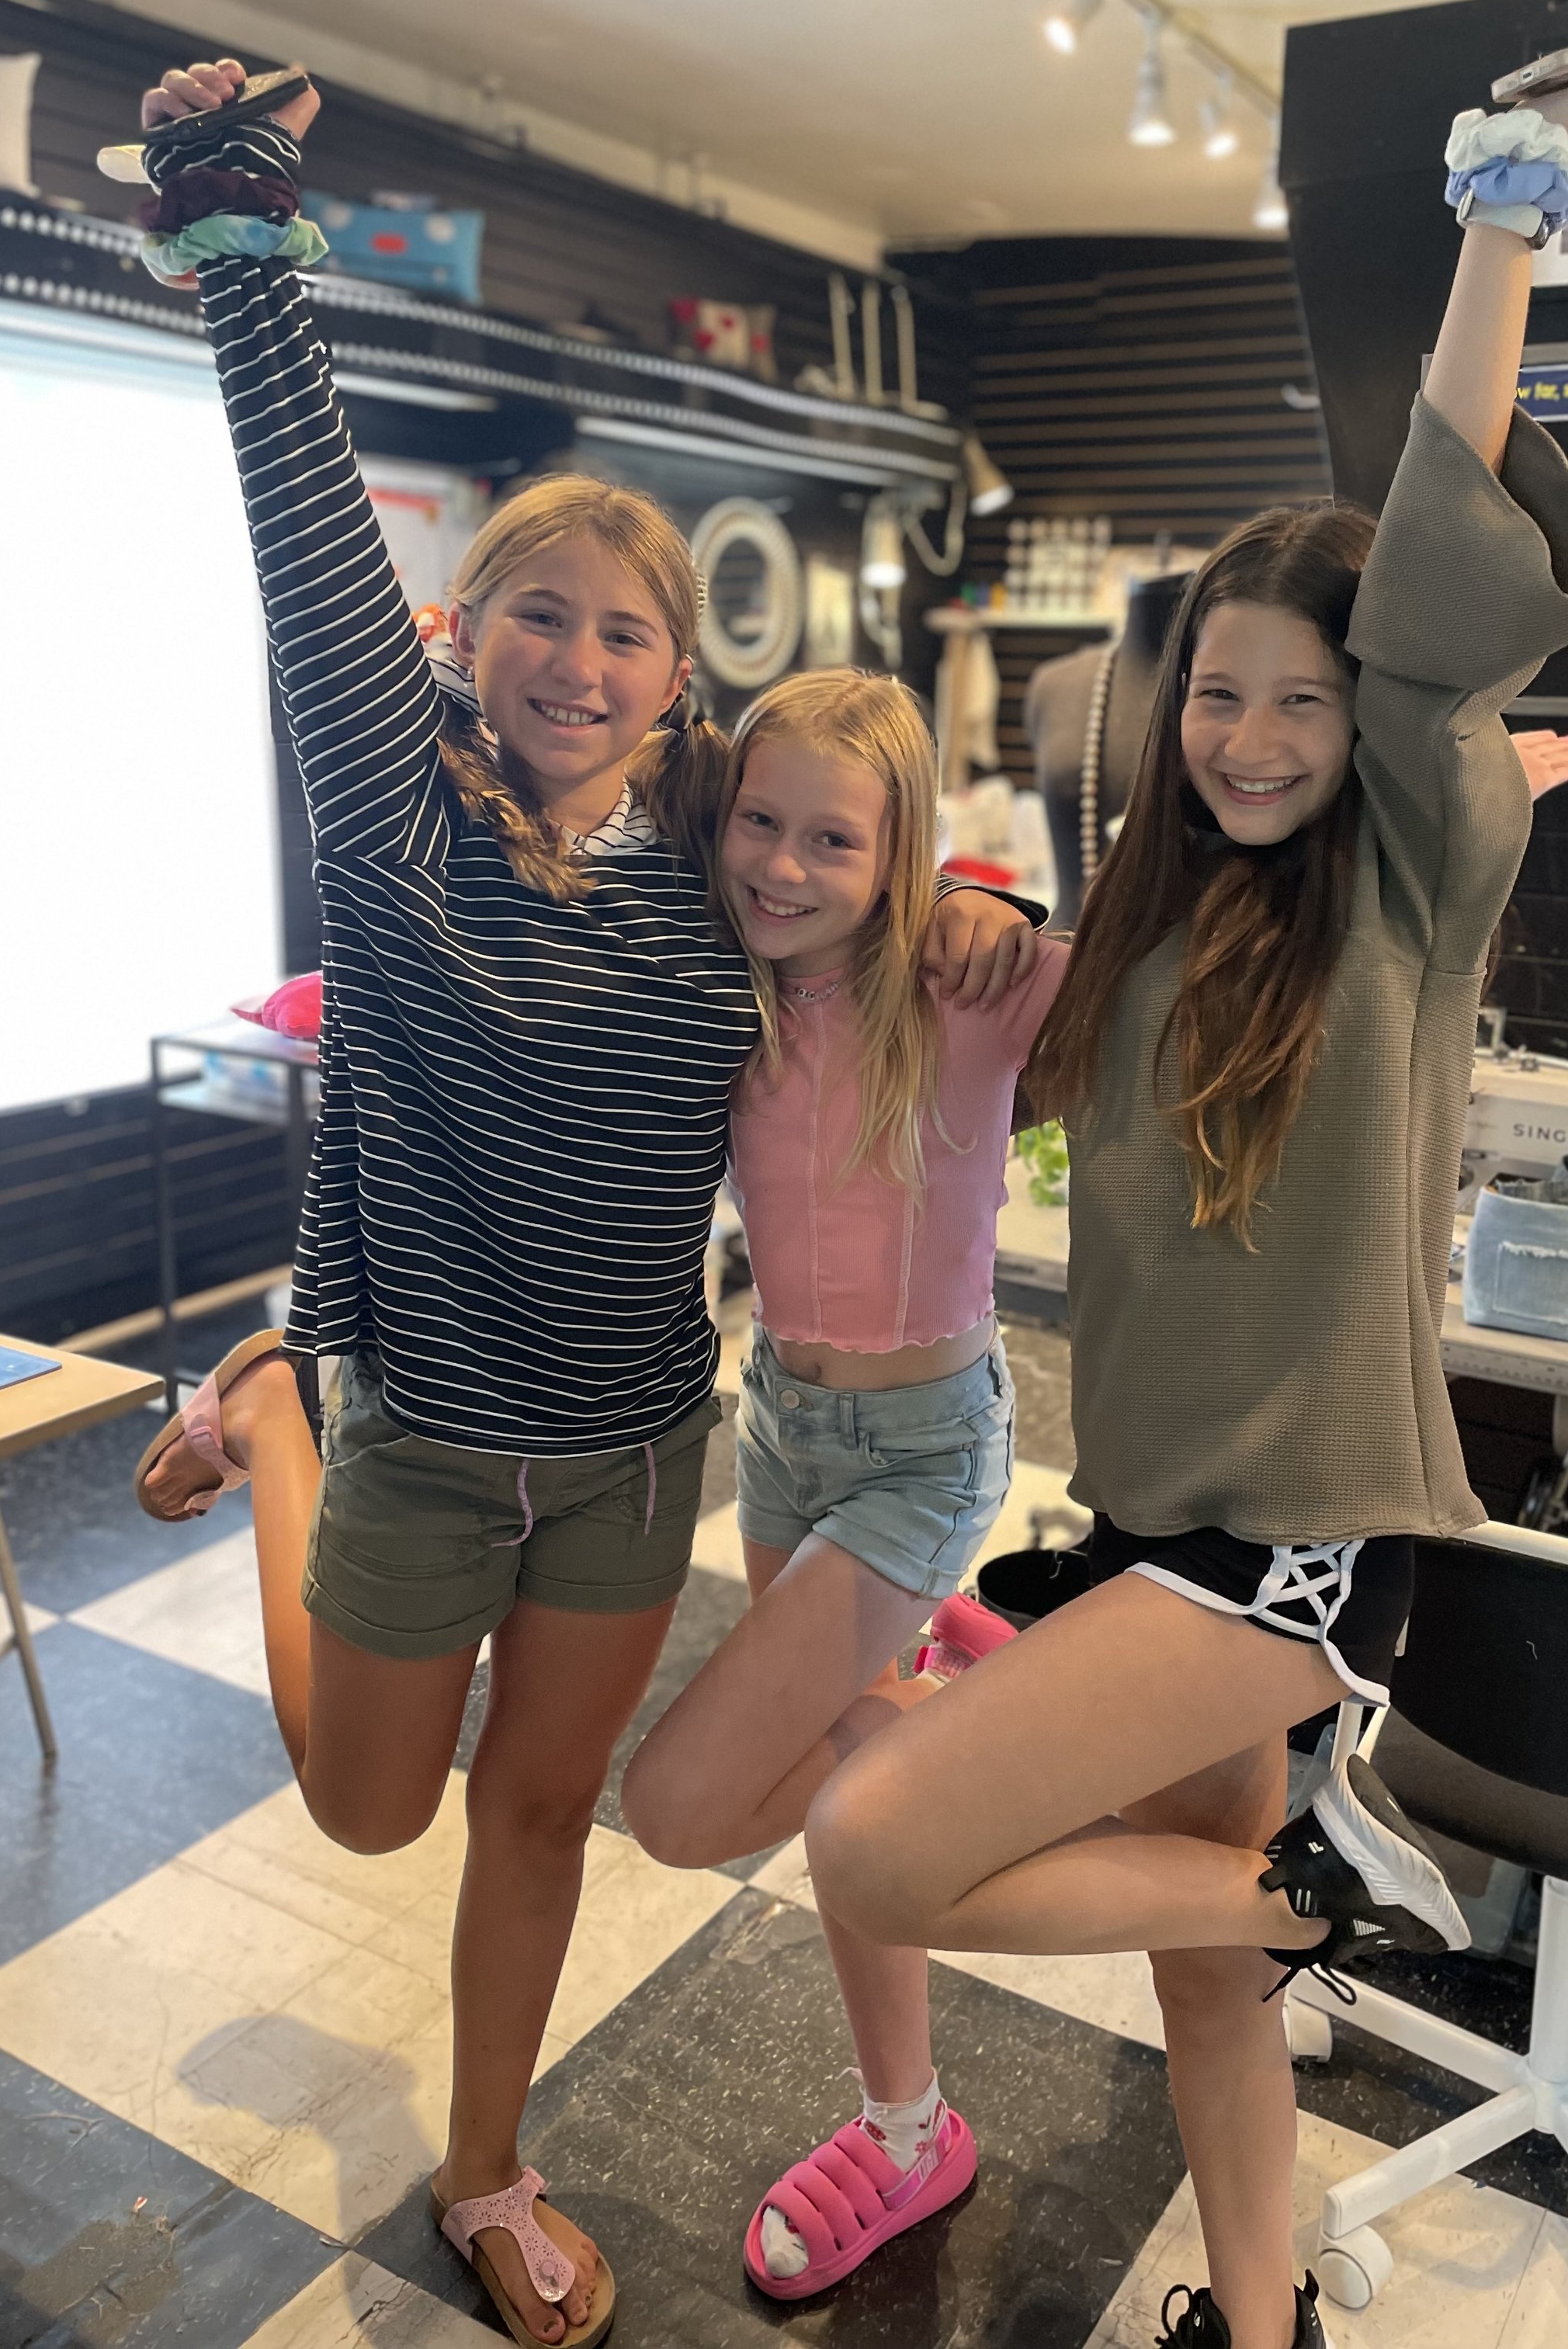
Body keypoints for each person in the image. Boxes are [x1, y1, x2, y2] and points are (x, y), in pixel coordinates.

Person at [798, 8, 1568, 2349]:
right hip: (1154, 1514)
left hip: (1295, 1547)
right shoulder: (1154, 907)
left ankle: (1322, 1893)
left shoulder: (1407, 882)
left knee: (874, 1840)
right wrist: (953, 929)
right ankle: (1263, 2311)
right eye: (1215, 692)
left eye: (1301, 699)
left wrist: (1512, 191)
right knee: (1193, 1965)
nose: (1246, 735)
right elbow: (1023, 1075)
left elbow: (1428, 563)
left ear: (1372, 718)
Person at [123, 58, 1035, 2349]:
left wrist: (965, 898)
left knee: (536, 1820)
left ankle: (485, 2170)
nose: (579, 660)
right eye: (537, 615)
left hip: (633, 1453)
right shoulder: (394, 815)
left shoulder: (718, 857)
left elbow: (851, 810)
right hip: (423, 1430)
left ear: (672, 679)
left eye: (625, 634)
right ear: (464, 629)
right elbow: (308, 546)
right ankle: (273, 1399)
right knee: (366, 1810)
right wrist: (244, 248)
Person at [617, 669, 1066, 2298]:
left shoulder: (962, 991)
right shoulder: (718, 980)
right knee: (839, 1811)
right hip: (781, 1430)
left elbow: (1163, 961)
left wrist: (1005, 910)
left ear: (901, 855)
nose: (784, 865)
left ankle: (992, 1719)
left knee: (686, 1806)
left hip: (925, 1448)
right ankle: (907, 2124)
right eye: (762, 822)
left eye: (834, 840)